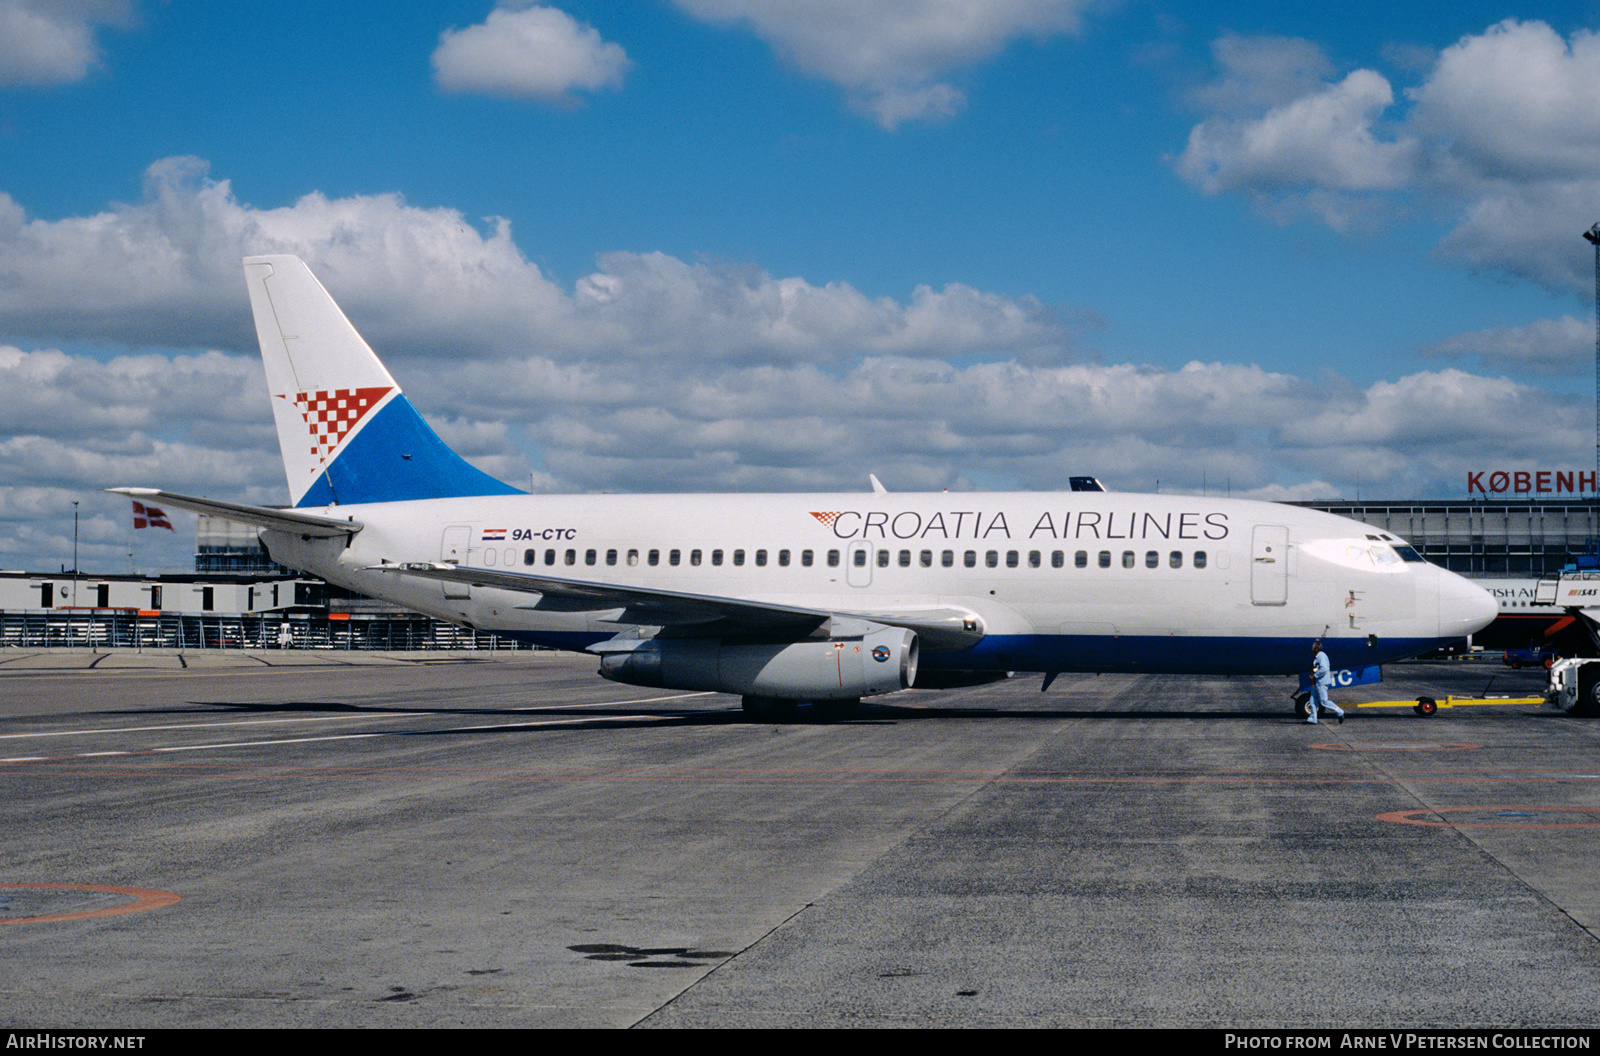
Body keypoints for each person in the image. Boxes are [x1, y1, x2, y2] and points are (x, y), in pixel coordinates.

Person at [1306, 640, 1344, 724]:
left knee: (1324, 701)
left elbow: (1324, 668)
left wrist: (1314, 675)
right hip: (1317, 682)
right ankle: (1313, 718)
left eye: (1312, 647)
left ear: (1316, 649)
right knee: (1312, 700)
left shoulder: (1321, 656)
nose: (1311, 649)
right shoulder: (1318, 657)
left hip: (1321, 682)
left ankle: (1339, 711)